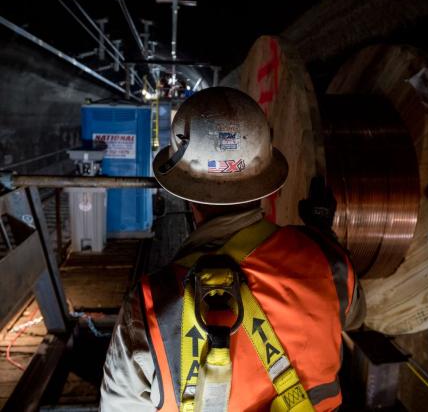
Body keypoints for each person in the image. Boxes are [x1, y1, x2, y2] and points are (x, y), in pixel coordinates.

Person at [100, 87, 365, 412]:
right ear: (267, 184)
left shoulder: (149, 304)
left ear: (186, 196)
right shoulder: (328, 261)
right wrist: (322, 237)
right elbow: (353, 314)